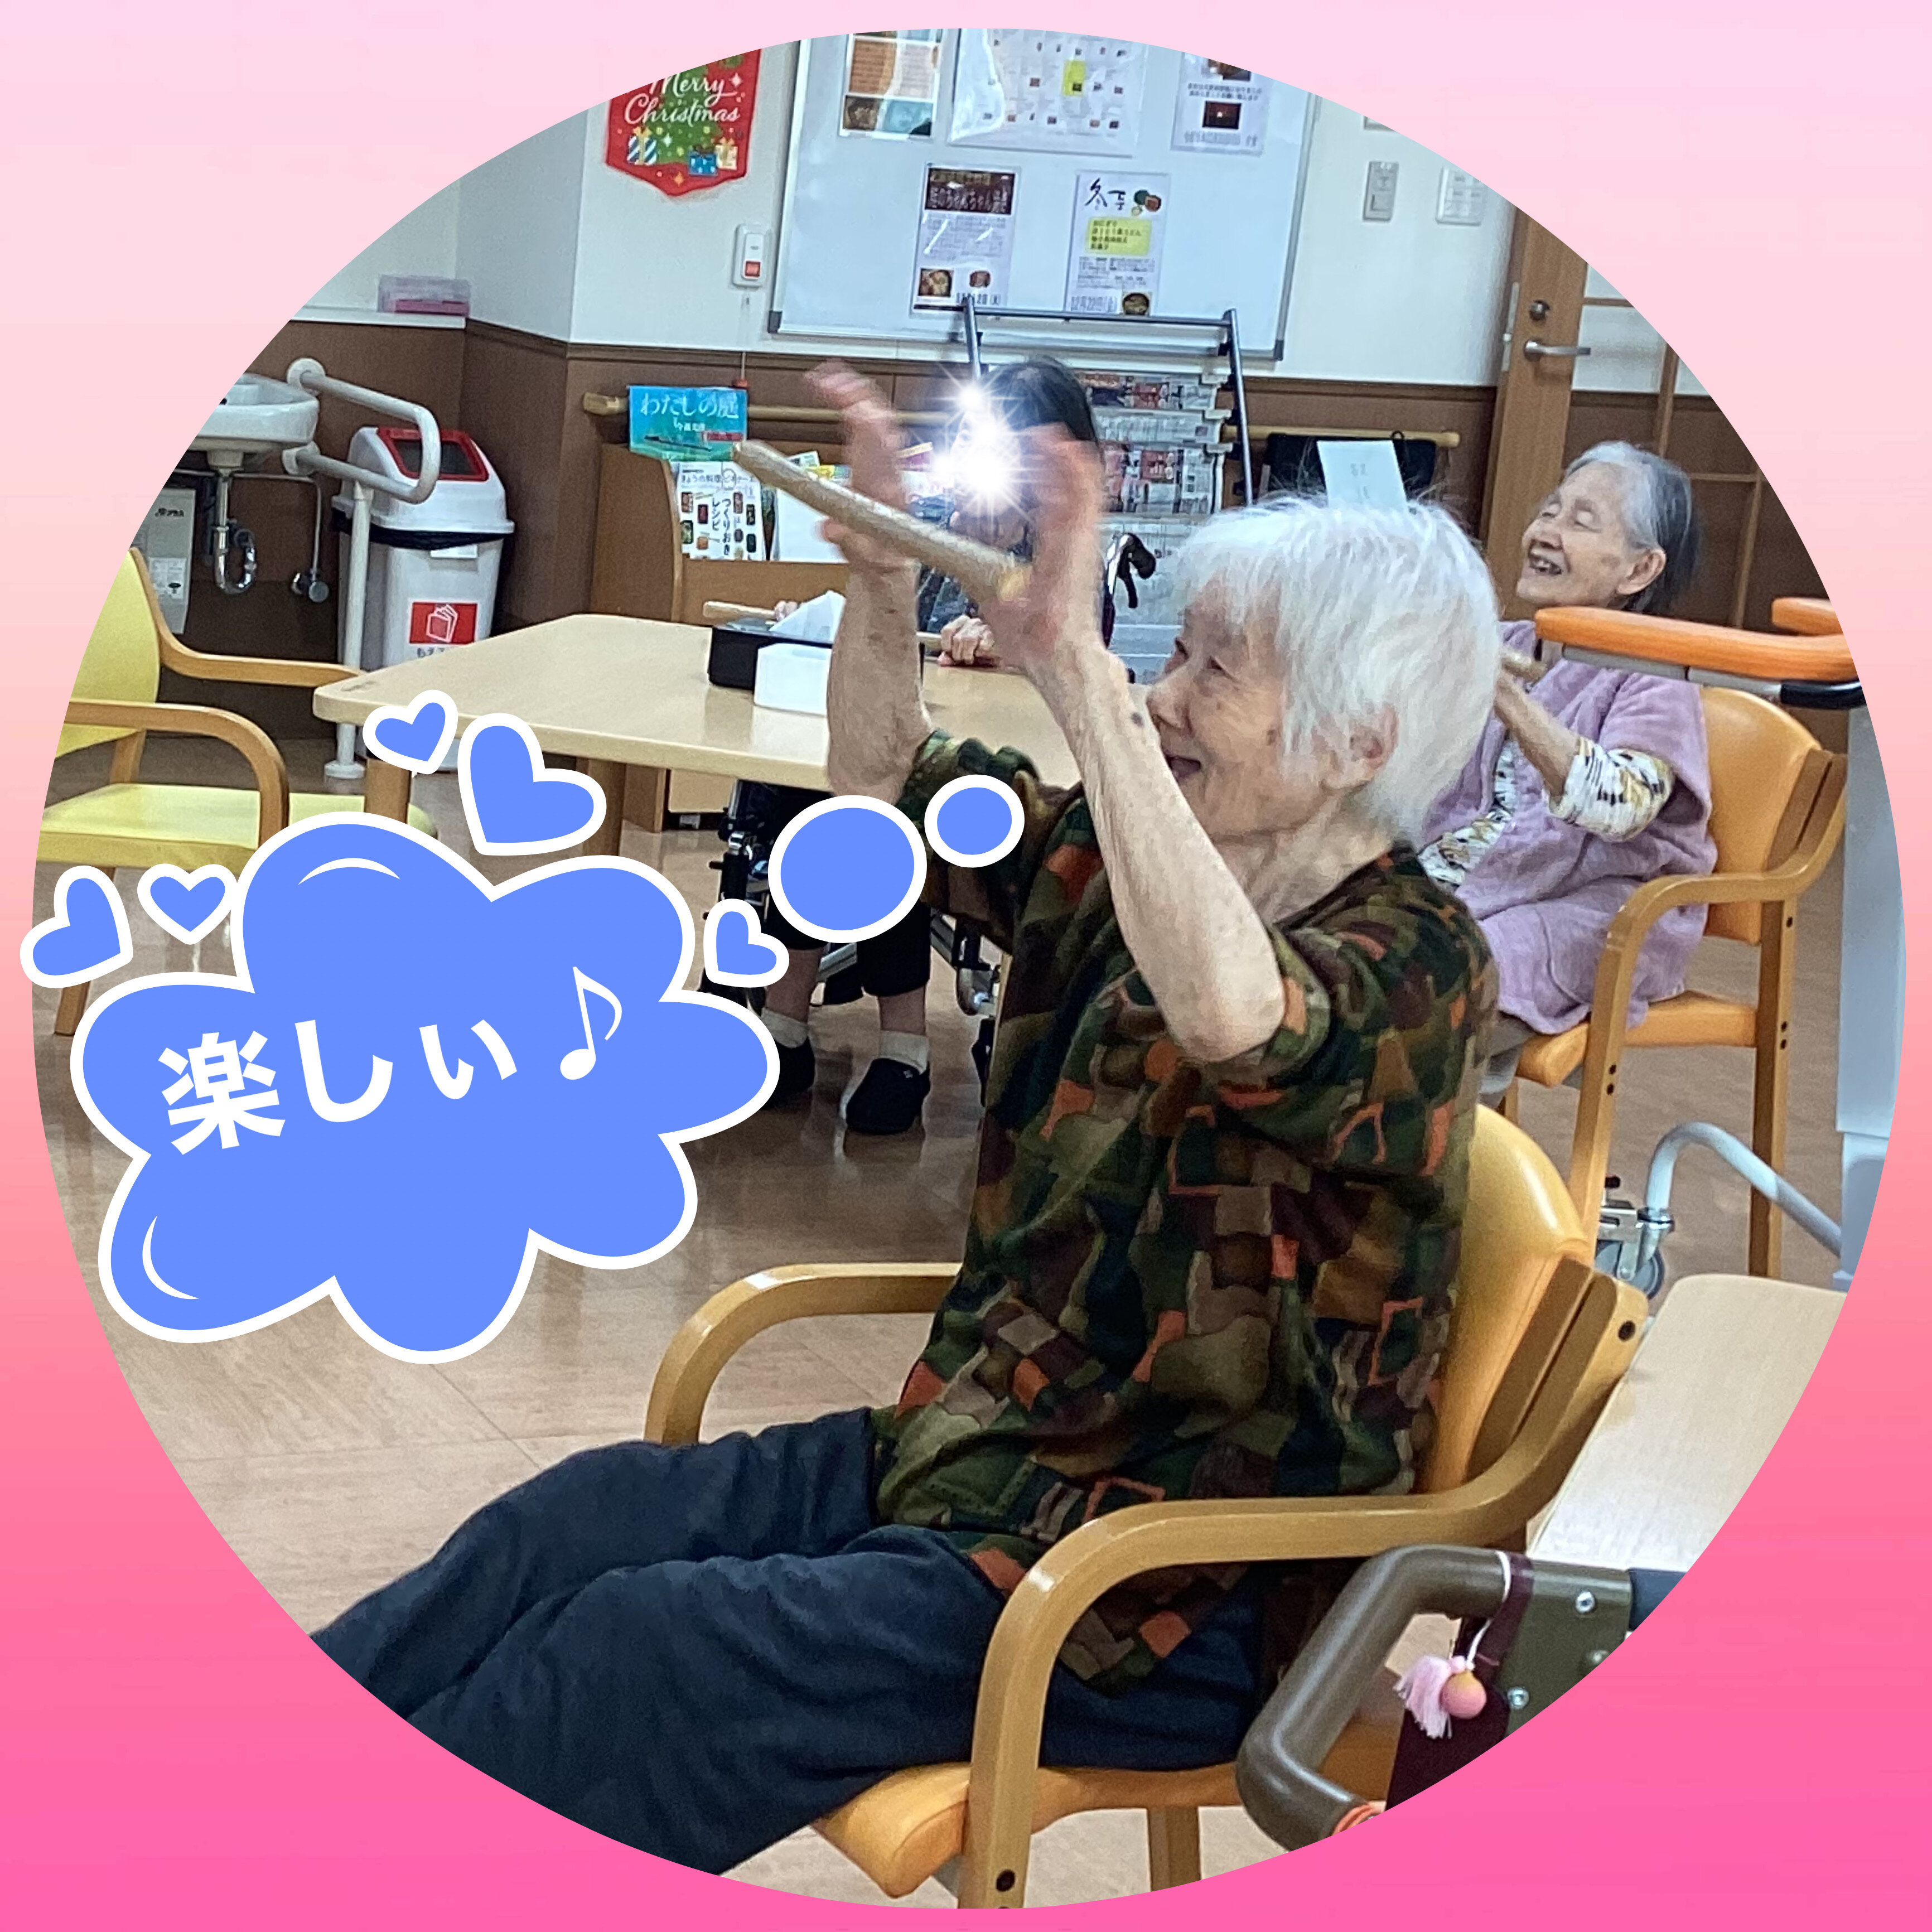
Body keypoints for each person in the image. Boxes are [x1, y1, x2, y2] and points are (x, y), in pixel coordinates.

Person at [312, 364, 1503, 1877]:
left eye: (1216, 670)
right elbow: (875, 785)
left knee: (651, 1654)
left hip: (1170, 1590)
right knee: (566, 1528)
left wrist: (1078, 676)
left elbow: (1234, 1015)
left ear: (1357, 739)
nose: (1164, 696)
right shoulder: (1118, 862)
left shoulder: (1418, 963)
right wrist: (878, 585)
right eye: (1173, 655)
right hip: (985, 1458)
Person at [754, 358, 1104, 1134]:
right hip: (914, 732)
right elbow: (891, 671)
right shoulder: (940, 518)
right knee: (823, 804)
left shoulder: (1067, 557)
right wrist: (867, 575)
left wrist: (1011, 643)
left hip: (1011, 756)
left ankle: (904, 1044)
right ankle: (785, 1020)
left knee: (907, 826)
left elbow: (1075, 670)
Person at [1419, 444, 1714, 1104]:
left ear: (1640, 568)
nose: (1545, 533)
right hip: (1479, 881)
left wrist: (1504, 696)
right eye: (1549, 511)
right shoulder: (1506, 641)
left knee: (1430, 988)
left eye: (1580, 521)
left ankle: (1427, 1154)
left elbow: (1619, 807)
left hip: (1594, 908)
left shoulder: (1657, 676)